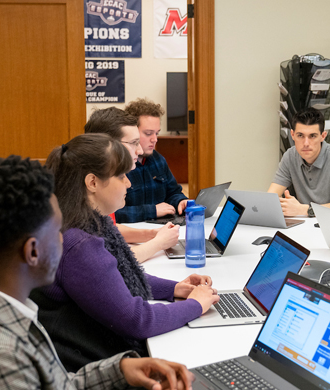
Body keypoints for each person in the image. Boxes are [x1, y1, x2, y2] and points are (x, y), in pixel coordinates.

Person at [0, 155, 193, 389]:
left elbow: (53, 384)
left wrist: (120, 370)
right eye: (58, 231)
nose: (64, 240)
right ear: (32, 252)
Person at [30, 133, 219, 372]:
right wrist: (195, 305)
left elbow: (114, 275)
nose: (128, 183)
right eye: (120, 176)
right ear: (92, 183)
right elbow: (137, 320)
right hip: (90, 365)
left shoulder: (81, 222)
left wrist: (174, 289)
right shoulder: (79, 243)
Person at [85, 106, 179, 262]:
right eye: (134, 143)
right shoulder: (89, 192)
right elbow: (111, 262)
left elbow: (109, 228)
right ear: (108, 144)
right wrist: (158, 243)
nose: (139, 150)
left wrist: (150, 234)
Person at [268, 107, 330, 222]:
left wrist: (305, 210)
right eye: (300, 135)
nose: (306, 143)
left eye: (312, 136)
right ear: (292, 135)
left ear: (323, 136)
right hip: (309, 223)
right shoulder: (290, 156)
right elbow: (271, 198)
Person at [117, 98, 188, 223]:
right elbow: (111, 213)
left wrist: (181, 201)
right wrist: (151, 211)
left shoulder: (158, 159)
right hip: (131, 233)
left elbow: (173, 192)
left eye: (157, 133)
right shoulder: (116, 165)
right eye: (149, 133)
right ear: (132, 131)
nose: (155, 139)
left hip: (161, 228)